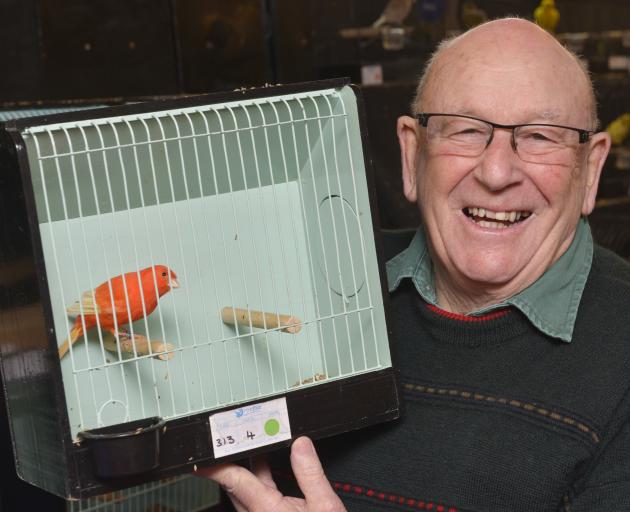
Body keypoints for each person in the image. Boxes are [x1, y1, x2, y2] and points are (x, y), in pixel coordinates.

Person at [198, 17, 630, 511]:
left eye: (540, 137)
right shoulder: (317, 281)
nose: (496, 172)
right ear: (410, 154)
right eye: (466, 130)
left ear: (591, 168)